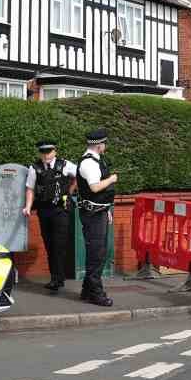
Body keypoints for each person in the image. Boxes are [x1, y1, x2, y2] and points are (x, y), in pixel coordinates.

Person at [22, 140, 77, 294]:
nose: (46, 155)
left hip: (61, 210)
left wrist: (70, 191)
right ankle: (56, 277)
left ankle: (57, 279)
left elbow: (80, 175)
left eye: (49, 152)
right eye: (43, 152)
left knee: (59, 244)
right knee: (49, 244)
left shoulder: (65, 165)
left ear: (55, 151)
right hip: (44, 211)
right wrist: (27, 206)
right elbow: (30, 189)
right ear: (40, 153)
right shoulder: (35, 168)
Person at [75, 128, 117, 307]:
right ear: (99, 145)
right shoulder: (89, 163)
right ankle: (96, 294)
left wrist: (106, 209)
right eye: (104, 144)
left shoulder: (95, 161)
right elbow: (94, 187)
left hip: (98, 211)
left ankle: (86, 290)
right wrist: (112, 179)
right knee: (97, 254)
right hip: (92, 215)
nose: (105, 146)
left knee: (97, 252)